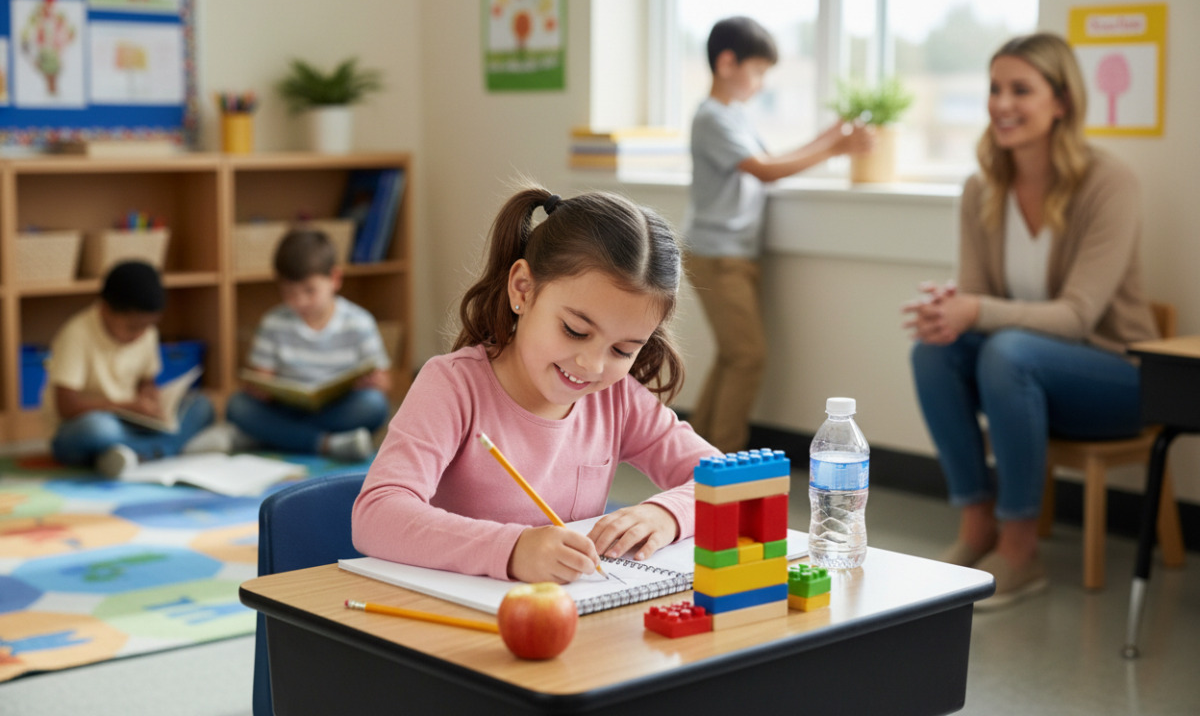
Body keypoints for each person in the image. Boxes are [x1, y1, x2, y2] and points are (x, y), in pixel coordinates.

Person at [903, 32, 1158, 608]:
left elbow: (1077, 315)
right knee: (934, 348)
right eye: (995, 88)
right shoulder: (980, 189)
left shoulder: (1109, 183)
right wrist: (951, 311)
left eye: (1021, 89)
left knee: (1007, 349)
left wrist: (978, 311)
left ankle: (1021, 547)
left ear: (1061, 101)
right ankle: (977, 527)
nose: (1002, 103)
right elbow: (977, 301)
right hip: (1019, 372)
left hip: (1118, 376)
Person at [353, 187, 722, 583]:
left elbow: (732, 480)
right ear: (523, 289)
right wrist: (512, 550)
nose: (592, 365)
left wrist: (668, 514)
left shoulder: (617, 399)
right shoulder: (453, 386)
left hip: (573, 622)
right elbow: (376, 514)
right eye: (575, 330)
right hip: (461, 623)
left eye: (622, 349)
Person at [684, 15, 873, 453]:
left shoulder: (733, 115)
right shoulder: (711, 117)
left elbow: (769, 158)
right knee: (748, 357)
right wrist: (834, 148)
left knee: (735, 356)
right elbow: (766, 171)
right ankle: (725, 459)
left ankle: (699, 455)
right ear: (727, 63)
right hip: (718, 252)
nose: (761, 82)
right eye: (758, 71)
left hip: (731, 252)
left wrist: (828, 137)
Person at [46, 260, 225, 478]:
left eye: (147, 326)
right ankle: (162, 449)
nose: (140, 334)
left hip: (133, 423)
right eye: (132, 327)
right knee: (98, 429)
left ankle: (128, 454)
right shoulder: (77, 334)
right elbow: (65, 405)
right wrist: (123, 407)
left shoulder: (147, 332)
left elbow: (146, 379)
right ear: (104, 309)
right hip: (85, 427)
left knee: (202, 405)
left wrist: (150, 397)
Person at [226, 228, 392, 461]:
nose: (299, 301)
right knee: (238, 406)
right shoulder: (273, 322)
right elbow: (262, 379)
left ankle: (281, 438)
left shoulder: (359, 322)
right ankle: (327, 444)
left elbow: (383, 382)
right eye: (289, 293)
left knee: (374, 405)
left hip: (336, 409)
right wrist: (260, 388)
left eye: (309, 291)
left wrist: (373, 382)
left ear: (335, 279)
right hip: (288, 409)